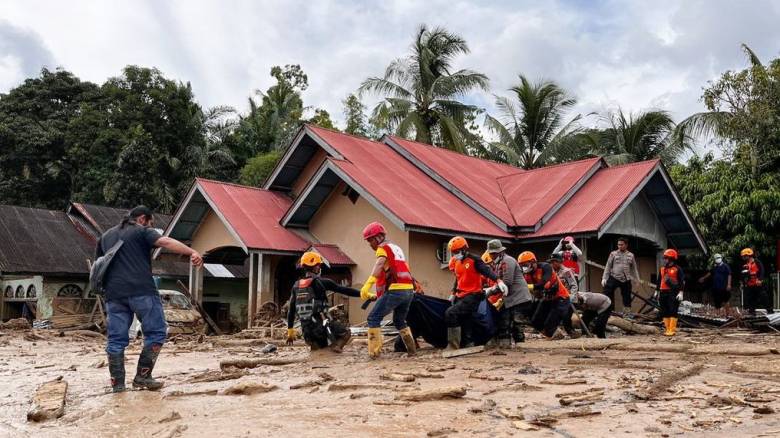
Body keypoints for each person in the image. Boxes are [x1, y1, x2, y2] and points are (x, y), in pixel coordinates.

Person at [96, 206, 203, 393]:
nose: (151, 226)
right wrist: (191, 252)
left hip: (114, 295)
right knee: (157, 332)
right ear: (143, 219)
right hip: (142, 291)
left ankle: (118, 386)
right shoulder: (141, 230)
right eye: (151, 223)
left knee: (115, 340)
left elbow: (99, 264)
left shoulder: (105, 236)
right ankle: (143, 377)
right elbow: (165, 242)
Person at [359, 222, 417, 359]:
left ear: (378, 237)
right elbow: (401, 268)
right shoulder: (396, 248)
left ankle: (374, 354)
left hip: (396, 290)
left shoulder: (382, 248)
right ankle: (412, 351)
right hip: (408, 291)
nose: (370, 244)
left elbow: (379, 265)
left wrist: (367, 285)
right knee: (399, 320)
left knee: (373, 318)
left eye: (370, 240)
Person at [286, 252, 359, 353]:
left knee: (316, 353)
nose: (319, 267)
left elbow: (291, 310)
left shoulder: (296, 285)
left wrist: (290, 331)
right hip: (322, 328)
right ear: (316, 267)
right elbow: (344, 290)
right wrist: (363, 294)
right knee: (346, 333)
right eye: (319, 265)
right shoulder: (322, 282)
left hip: (307, 333)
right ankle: (336, 349)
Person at [445, 236, 507, 350]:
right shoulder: (456, 262)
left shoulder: (475, 260)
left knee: (450, 313)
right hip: (461, 295)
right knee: (466, 319)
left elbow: (487, 271)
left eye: (457, 252)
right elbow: (457, 278)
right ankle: (469, 343)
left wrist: (498, 280)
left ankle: (453, 345)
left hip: (473, 295)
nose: (455, 254)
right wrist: (453, 293)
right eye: (453, 252)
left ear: (464, 249)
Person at [485, 239, 532, 347]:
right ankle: (504, 344)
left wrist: (490, 291)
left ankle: (520, 345)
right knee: (503, 320)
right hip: (509, 298)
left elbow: (507, 282)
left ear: (500, 252)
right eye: (491, 253)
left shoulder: (508, 261)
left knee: (516, 322)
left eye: (494, 253)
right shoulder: (497, 264)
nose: (492, 256)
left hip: (519, 297)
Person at [518, 251, 570, 340]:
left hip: (561, 298)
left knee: (551, 323)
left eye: (526, 264)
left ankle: (553, 334)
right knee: (535, 322)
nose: (524, 267)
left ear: (533, 261)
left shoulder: (545, 267)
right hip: (546, 299)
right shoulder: (526, 275)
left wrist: (529, 287)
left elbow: (544, 282)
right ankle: (556, 334)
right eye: (522, 265)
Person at [601, 237, 641, 313]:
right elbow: (608, 266)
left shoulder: (631, 255)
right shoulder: (613, 254)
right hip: (614, 277)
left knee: (627, 297)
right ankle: (608, 311)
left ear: (626, 245)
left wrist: (637, 279)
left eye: (621, 245)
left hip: (626, 279)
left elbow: (634, 268)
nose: (620, 246)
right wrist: (604, 278)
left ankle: (627, 313)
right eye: (618, 245)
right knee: (607, 292)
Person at [654, 249, 684, 336]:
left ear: (671, 258)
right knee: (664, 310)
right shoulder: (662, 269)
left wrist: (681, 292)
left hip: (673, 292)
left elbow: (682, 281)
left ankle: (672, 330)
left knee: (673, 310)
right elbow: (659, 280)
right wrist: (656, 291)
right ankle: (667, 329)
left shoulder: (678, 269)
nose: (665, 259)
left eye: (666, 258)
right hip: (663, 292)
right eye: (665, 258)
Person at [549, 253, 580, 338]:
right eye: (551, 262)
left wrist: (572, 298)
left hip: (567, 298)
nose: (551, 264)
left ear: (559, 262)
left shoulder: (567, 272)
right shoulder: (552, 272)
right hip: (557, 298)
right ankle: (557, 334)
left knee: (566, 317)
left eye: (553, 262)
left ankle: (572, 333)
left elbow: (574, 285)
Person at [740, 248, 771, 315]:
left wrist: (760, 279)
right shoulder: (745, 265)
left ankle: (770, 311)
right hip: (750, 285)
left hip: (757, 283)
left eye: (744, 256)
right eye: (743, 256)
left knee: (763, 297)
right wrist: (743, 282)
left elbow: (762, 271)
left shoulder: (757, 262)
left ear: (749, 255)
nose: (743, 257)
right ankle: (752, 313)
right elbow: (743, 275)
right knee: (751, 299)